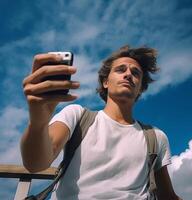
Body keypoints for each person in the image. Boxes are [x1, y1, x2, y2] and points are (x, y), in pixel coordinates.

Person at [21, 45, 182, 200]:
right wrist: (38, 121)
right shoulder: (77, 115)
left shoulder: (156, 137)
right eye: (120, 70)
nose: (128, 75)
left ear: (140, 87)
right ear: (105, 82)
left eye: (135, 73)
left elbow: (167, 196)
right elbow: (35, 163)